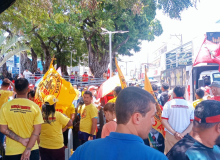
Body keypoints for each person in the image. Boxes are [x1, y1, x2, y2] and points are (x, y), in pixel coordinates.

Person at [70, 87, 168, 160]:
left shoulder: (84, 150)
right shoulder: (156, 157)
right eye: (152, 116)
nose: (154, 122)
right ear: (137, 118)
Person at [0, 78, 44, 160]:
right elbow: (37, 131)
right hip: (32, 150)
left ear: (15, 89)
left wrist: (21, 140)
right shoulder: (35, 107)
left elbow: (3, 129)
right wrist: (28, 149)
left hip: (12, 151)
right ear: (28, 90)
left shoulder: (5, 107)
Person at [161, 85, 194, 154]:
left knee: (169, 155)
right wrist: (182, 134)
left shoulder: (168, 104)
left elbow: (164, 120)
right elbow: (192, 123)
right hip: (185, 136)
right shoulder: (190, 105)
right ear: (183, 93)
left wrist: (175, 133)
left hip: (171, 135)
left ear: (174, 93)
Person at [39, 95, 72, 160]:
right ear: (54, 104)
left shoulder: (40, 115)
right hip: (57, 147)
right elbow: (70, 122)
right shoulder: (58, 114)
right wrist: (65, 116)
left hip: (44, 146)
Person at [0, 78, 14, 147]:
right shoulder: (5, 92)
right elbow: (16, 91)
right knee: (2, 133)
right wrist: (11, 82)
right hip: (2, 115)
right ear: (8, 86)